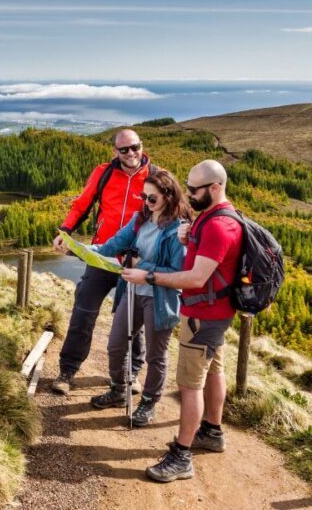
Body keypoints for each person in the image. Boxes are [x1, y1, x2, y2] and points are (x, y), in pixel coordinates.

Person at [122, 160, 243, 482]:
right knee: (214, 372)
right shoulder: (217, 218)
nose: (188, 195)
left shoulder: (218, 225)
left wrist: (148, 277)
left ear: (215, 187)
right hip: (215, 315)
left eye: (194, 189)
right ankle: (212, 433)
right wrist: (190, 241)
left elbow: (195, 279)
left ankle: (182, 455)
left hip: (203, 318)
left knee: (189, 386)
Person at [51, 129, 156, 394]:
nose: (131, 153)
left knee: (133, 320)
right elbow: (82, 204)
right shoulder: (104, 173)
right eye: (124, 150)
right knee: (84, 310)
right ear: (115, 152)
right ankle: (68, 370)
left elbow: (170, 215)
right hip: (103, 254)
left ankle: (130, 375)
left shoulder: (155, 177)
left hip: (135, 261)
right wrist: (65, 232)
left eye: (135, 147)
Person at [88, 170, 190, 426]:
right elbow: (111, 246)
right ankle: (119, 389)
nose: (146, 202)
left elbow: (178, 271)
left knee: (156, 355)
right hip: (132, 292)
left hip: (160, 298)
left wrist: (144, 268)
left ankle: (148, 402)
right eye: (143, 196)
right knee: (116, 344)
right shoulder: (139, 219)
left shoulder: (178, 230)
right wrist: (77, 249)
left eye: (152, 198)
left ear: (168, 195)